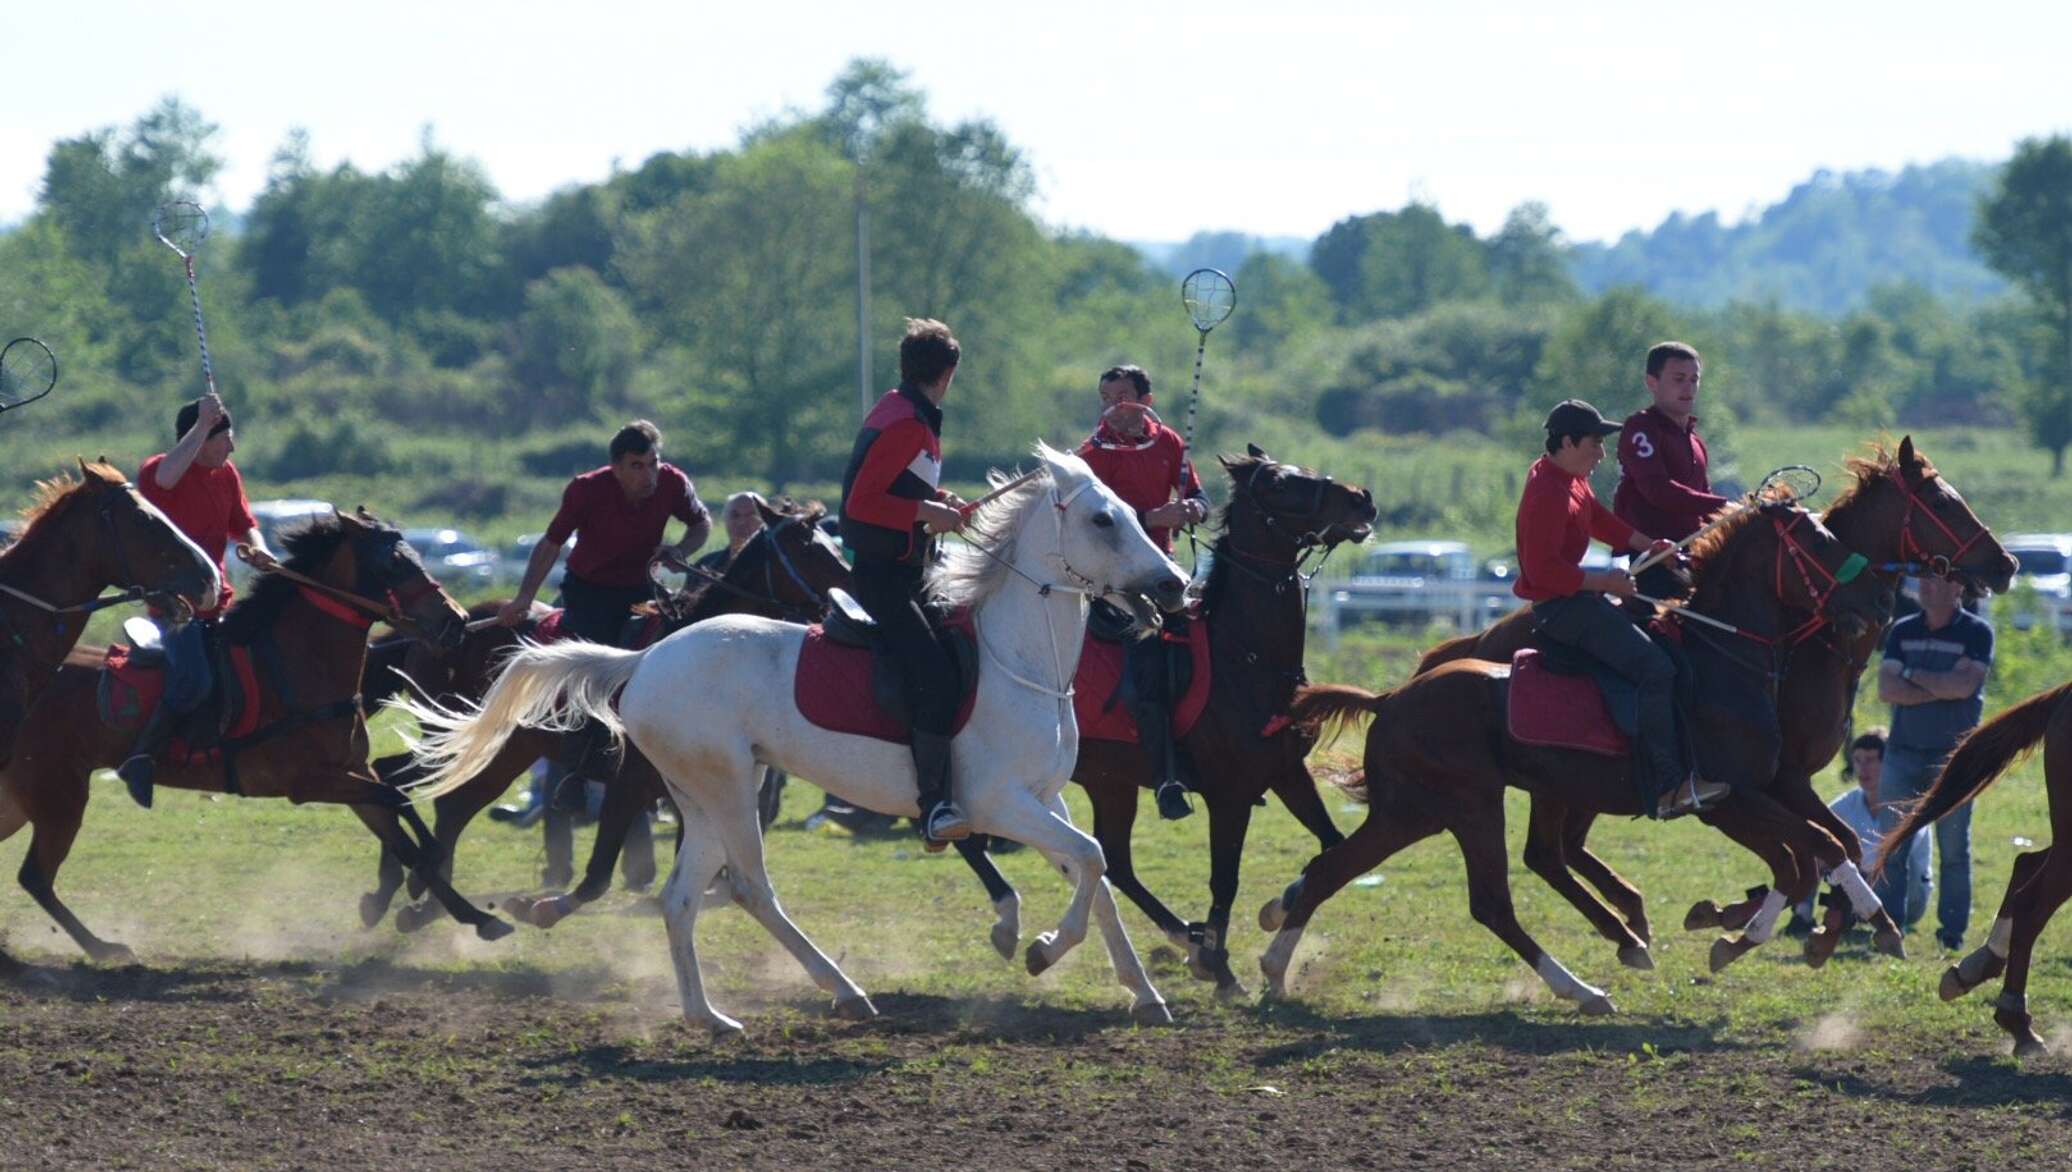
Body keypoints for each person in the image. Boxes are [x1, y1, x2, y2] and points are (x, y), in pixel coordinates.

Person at [1515, 399, 1723, 818]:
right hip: (1562, 611)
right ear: (1569, 442)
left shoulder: (1569, 479)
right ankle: (1667, 786)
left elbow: (1600, 521)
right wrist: (1603, 582)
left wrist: (1653, 546)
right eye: (1595, 443)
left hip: (1576, 600)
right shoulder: (1546, 493)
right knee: (1655, 668)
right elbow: (1542, 569)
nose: (1602, 453)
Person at [500, 420, 710, 824]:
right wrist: (524, 598)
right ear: (615, 467)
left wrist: (681, 549)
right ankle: (576, 774)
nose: (648, 475)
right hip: (590, 591)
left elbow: (701, 523)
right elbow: (551, 544)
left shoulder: (672, 482)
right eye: (636, 466)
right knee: (591, 675)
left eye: (652, 463)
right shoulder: (585, 489)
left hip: (642, 594)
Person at [838, 317, 972, 848]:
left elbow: (898, 489)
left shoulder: (909, 411)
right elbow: (860, 504)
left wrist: (938, 506)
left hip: (906, 569)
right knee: (937, 679)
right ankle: (932, 806)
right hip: (883, 577)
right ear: (950, 372)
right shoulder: (905, 422)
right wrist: (924, 511)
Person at [116, 392, 276, 809]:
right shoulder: (158, 472)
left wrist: (258, 548)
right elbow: (165, 479)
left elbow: (245, 524)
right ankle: (140, 757)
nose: (232, 446)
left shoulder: (227, 475)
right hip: (175, 607)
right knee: (195, 681)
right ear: (200, 438)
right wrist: (204, 423)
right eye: (224, 438)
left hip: (218, 602)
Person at [1076, 364, 1210, 820]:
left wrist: (1193, 508)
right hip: (1115, 584)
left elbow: (1199, 497)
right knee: (1146, 683)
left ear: (1145, 402)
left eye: (1123, 396)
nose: (1113, 406)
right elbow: (1092, 524)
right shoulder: (1089, 456)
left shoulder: (1170, 441)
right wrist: (1154, 518)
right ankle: (1166, 779)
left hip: (1167, 576)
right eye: (1105, 396)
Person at [1876, 574, 1992, 950]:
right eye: (1922, 577)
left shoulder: (1977, 632)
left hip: (1955, 758)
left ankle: (1952, 935)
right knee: (1891, 846)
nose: (1923, 585)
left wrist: (1910, 676)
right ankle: (1888, 929)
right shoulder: (1901, 629)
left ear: (1958, 587)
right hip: (1903, 752)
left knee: (1954, 848)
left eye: (1934, 579)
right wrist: (1939, 686)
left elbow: (1964, 688)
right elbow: (1886, 688)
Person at [1612, 341, 1728, 597]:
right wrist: (1725, 506)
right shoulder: (1641, 428)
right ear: (1652, 382)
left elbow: (1703, 503)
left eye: (1694, 379)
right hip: (1651, 559)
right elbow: (1657, 489)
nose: (1688, 388)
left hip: (1689, 557)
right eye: (1678, 379)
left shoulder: (1696, 441)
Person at [1789, 729, 1931, 933]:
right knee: (1815, 847)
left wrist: (1847, 867)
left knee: (1889, 865)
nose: (1863, 769)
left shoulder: (1906, 804)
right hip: (1859, 882)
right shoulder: (1848, 803)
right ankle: (1802, 915)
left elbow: (1895, 859)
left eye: (1871, 760)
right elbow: (1813, 833)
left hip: (1907, 896)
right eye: (1857, 760)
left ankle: (1870, 915)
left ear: (1888, 763)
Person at [695, 491, 769, 574]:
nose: (742, 522)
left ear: (765, 521)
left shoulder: (772, 565)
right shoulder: (704, 565)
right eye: (735, 515)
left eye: (751, 515)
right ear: (725, 519)